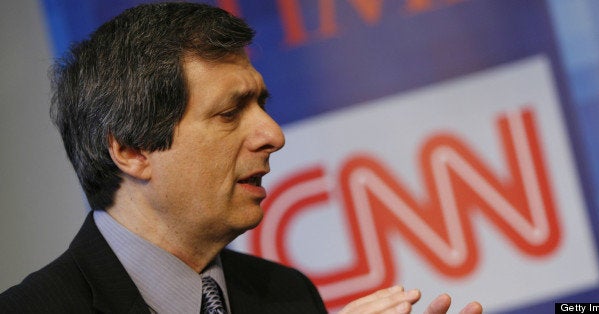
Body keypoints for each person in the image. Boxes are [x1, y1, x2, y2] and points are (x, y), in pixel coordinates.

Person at [0, 2, 482, 313]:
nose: (272, 135)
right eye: (230, 112)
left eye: (262, 106)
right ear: (130, 149)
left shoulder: (287, 297)